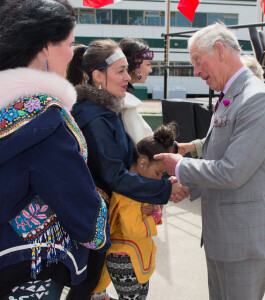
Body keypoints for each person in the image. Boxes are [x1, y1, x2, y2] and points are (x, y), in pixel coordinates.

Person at [155, 23, 265, 300]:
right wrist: (187, 184)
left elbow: (232, 172)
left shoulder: (257, 99)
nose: (196, 71)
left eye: (197, 62)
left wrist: (179, 165)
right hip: (226, 238)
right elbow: (220, 158)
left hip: (244, 242)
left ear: (219, 50)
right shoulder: (231, 96)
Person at [0, 0, 110, 299]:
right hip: (28, 266)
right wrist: (101, 214)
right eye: (71, 43)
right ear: (46, 46)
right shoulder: (46, 120)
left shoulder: (10, 109)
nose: (74, 54)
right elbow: (81, 211)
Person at [66, 39, 188, 300]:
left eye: (127, 69)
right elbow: (115, 175)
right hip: (94, 219)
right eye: (120, 71)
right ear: (98, 76)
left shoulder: (104, 109)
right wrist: (164, 188)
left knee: (91, 286)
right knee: (88, 287)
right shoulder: (96, 117)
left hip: (104, 214)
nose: (127, 76)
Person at [177, 54, 265, 211]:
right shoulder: (232, 100)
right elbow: (221, 141)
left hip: (252, 212)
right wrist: (191, 148)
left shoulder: (258, 103)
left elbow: (232, 170)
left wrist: (180, 168)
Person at [95, 122, 177, 299]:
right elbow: (134, 230)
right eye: (158, 173)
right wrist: (154, 215)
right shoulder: (129, 192)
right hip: (125, 256)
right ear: (142, 163)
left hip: (133, 256)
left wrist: (154, 209)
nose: (158, 179)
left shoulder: (137, 188)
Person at [118, 37, 154, 144]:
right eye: (148, 64)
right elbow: (141, 143)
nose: (150, 70)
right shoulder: (126, 104)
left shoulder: (121, 97)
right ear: (136, 65)